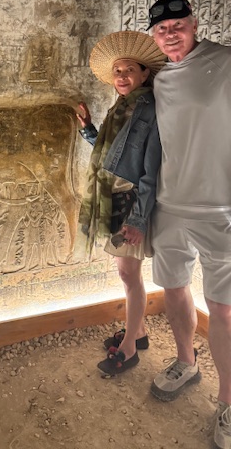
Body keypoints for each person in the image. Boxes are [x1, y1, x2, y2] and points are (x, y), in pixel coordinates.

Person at [147, 0, 231, 449]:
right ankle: (186, 362)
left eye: (178, 25)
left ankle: (229, 403)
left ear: (195, 24)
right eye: (162, 29)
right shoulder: (160, 78)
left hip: (222, 208)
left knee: (223, 309)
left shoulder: (226, 62)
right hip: (170, 204)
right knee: (174, 288)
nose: (171, 34)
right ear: (154, 36)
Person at [76, 30, 165, 376]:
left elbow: (150, 169)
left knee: (129, 274)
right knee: (126, 273)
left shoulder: (148, 109)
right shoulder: (121, 108)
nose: (122, 76)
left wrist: (138, 219)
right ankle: (137, 332)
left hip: (131, 204)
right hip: (115, 199)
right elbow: (114, 155)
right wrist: (89, 129)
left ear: (144, 74)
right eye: (117, 71)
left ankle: (129, 349)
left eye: (129, 70)